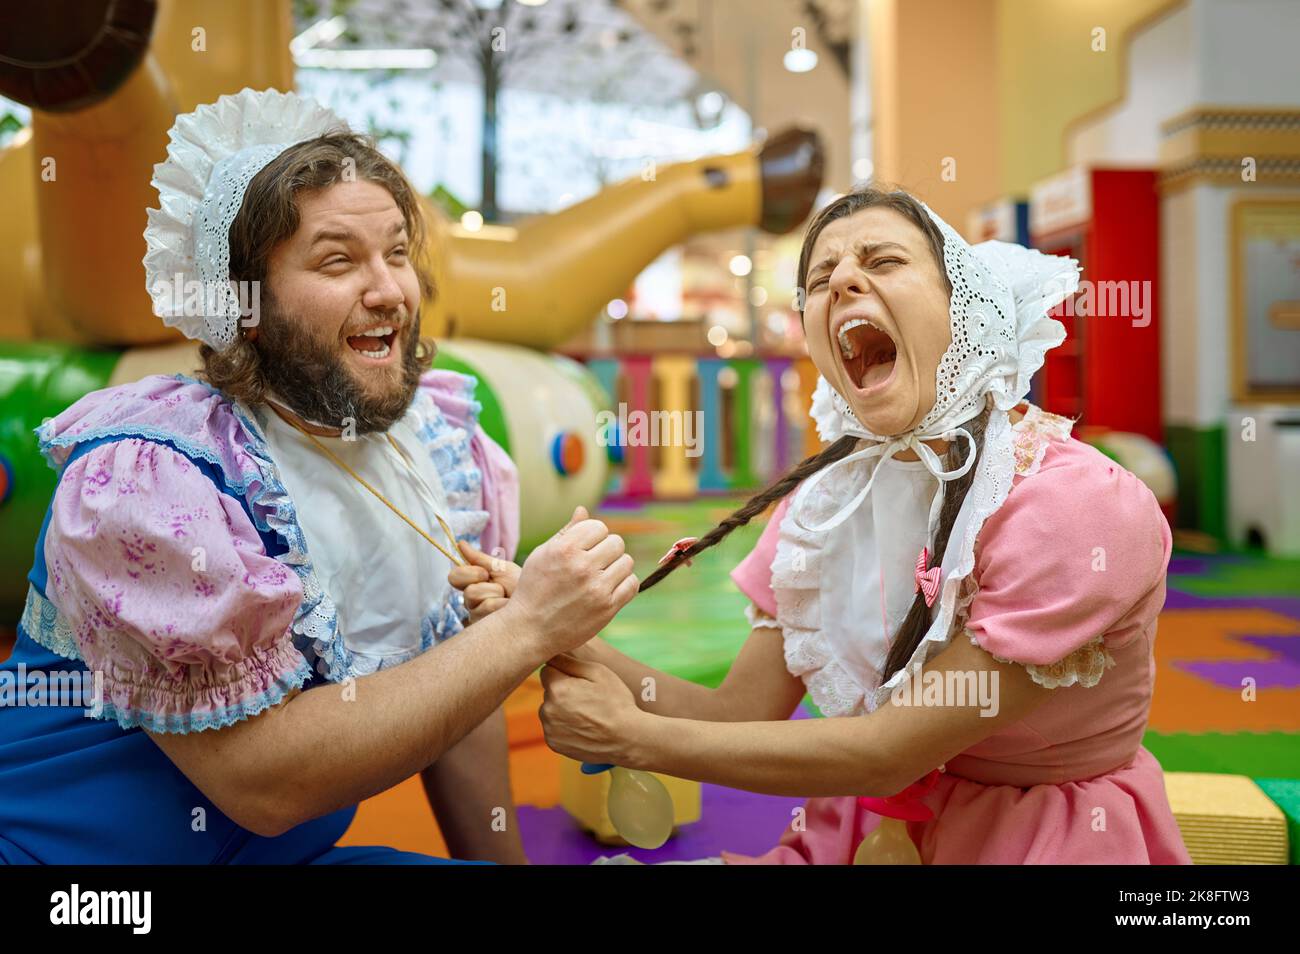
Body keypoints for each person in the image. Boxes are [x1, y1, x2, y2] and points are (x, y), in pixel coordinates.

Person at [0, 88, 638, 865]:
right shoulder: (150, 477)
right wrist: (528, 627)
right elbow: (266, 786)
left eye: (398, 253)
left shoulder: (437, 452)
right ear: (245, 306)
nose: (389, 291)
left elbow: (455, 685)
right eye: (339, 260)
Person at [469, 186, 1190, 864]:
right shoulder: (826, 505)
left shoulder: (1074, 507)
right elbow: (739, 712)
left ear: (964, 307)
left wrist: (637, 739)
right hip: (864, 832)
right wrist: (539, 625)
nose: (842, 281)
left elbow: (890, 752)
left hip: (1043, 839)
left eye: (882, 261)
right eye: (820, 278)